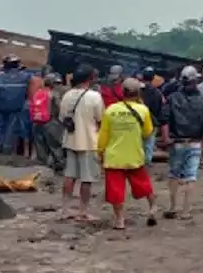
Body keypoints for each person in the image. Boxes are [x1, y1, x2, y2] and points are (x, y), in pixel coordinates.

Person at [97, 77, 157, 230]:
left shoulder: (111, 110)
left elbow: (103, 135)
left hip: (114, 157)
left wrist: (100, 152)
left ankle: (119, 220)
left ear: (122, 92)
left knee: (116, 191)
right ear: (138, 92)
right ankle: (152, 208)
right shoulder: (143, 110)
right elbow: (147, 132)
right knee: (144, 185)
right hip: (134, 155)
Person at [163, 65, 203, 220]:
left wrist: (166, 138)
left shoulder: (172, 98)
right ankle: (186, 210)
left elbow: (165, 119)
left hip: (176, 142)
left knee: (173, 174)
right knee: (191, 176)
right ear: (195, 80)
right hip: (195, 142)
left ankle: (172, 207)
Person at [60, 65, 104, 221]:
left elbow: (62, 118)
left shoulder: (67, 95)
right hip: (89, 141)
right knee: (87, 178)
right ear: (90, 79)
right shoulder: (94, 97)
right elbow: (100, 119)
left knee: (69, 175)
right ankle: (82, 211)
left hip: (70, 140)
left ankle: (65, 209)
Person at [0, 56, 32, 155]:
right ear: (18, 65)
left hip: (0, 107)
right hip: (15, 108)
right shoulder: (25, 77)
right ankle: (6, 150)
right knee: (11, 129)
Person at [29, 74, 63, 173]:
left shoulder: (37, 92)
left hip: (36, 122)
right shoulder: (53, 94)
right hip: (50, 123)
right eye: (56, 83)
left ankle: (43, 167)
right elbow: (59, 107)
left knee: (40, 146)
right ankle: (58, 168)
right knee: (55, 146)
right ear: (52, 83)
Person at [140, 67, 165, 166]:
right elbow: (160, 107)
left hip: (139, 119)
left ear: (142, 76)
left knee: (139, 142)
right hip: (152, 120)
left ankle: (139, 161)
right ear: (153, 77)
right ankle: (147, 162)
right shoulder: (157, 92)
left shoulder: (138, 90)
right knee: (149, 143)